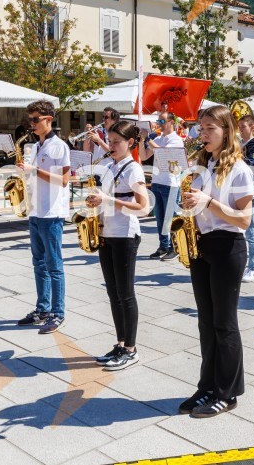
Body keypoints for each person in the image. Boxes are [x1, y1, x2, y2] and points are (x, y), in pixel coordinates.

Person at [177, 105, 254, 418]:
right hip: (202, 244)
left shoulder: (240, 169)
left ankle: (228, 392)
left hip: (227, 246)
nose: (203, 134)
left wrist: (208, 201)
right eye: (201, 128)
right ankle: (207, 386)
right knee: (206, 323)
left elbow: (244, 219)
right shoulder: (202, 164)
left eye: (210, 128)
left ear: (226, 131)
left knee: (224, 323)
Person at [86, 120, 150, 370]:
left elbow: (144, 208)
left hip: (125, 235)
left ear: (130, 142)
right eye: (109, 141)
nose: (111, 146)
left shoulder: (133, 169)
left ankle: (131, 350)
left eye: (116, 142)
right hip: (108, 233)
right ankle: (121, 343)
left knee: (125, 294)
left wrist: (107, 199)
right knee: (113, 293)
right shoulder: (110, 166)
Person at [16, 100, 71, 334]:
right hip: (36, 210)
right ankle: (42, 309)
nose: (32, 123)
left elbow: (64, 180)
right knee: (38, 264)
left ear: (49, 119)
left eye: (35, 119)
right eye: (30, 119)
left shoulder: (60, 146)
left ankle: (58, 313)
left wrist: (35, 171)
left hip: (52, 212)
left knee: (54, 266)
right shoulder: (36, 146)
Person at [140, 111, 184, 260]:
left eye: (162, 121)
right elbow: (144, 156)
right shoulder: (158, 138)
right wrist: (141, 141)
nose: (159, 124)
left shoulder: (176, 140)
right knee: (160, 218)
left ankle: (175, 247)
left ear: (171, 122)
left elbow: (162, 154)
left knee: (170, 218)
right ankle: (163, 246)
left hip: (171, 183)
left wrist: (148, 138)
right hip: (157, 182)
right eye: (158, 121)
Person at [238, 115, 254, 282]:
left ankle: (253, 268)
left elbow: (250, 165)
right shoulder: (239, 144)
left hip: (248, 191)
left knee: (250, 232)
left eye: (243, 126)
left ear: (252, 127)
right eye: (239, 126)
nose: (240, 129)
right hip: (235, 190)